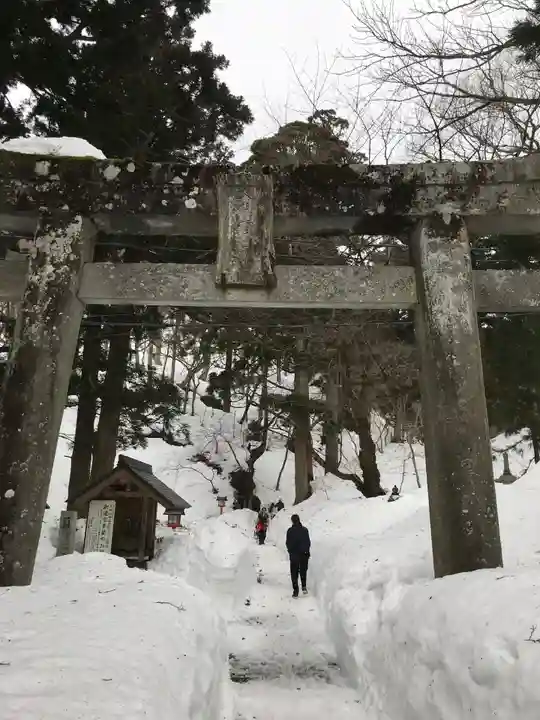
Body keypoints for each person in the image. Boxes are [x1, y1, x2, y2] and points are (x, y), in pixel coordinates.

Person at [286, 514, 311, 598]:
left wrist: (290, 551)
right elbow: (308, 542)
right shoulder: (305, 530)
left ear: (292, 521)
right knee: (303, 571)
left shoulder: (290, 531)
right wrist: (307, 552)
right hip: (304, 554)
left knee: (294, 573)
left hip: (294, 555)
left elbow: (288, 543)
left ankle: (295, 590)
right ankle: (304, 586)